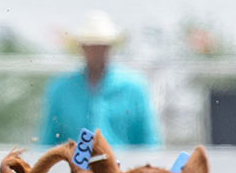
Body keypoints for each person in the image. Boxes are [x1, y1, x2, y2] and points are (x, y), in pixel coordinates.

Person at [37, 11, 161, 149]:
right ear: (82, 47)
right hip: (73, 168)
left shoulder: (134, 86)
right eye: (91, 45)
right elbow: (48, 139)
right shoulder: (61, 88)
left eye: (102, 45)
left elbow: (149, 141)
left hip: (123, 167)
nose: (96, 51)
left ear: (110, 47)